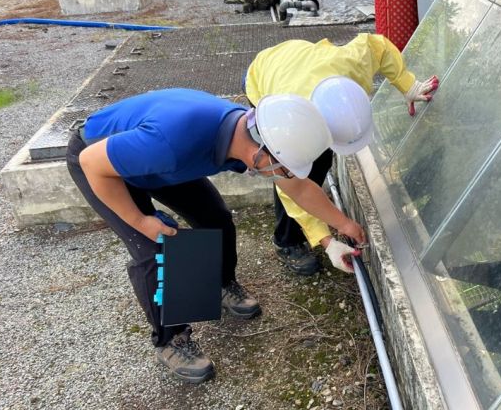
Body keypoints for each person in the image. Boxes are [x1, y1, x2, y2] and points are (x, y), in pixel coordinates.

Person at [66, 88, 366, 383]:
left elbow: (298, 187)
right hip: (99, 163)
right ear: (260, 155)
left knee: (215, 219)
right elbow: (92, 162)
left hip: (151, 159)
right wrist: (140, 221)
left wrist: (343, 223)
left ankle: (220, 284)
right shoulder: (172, 144)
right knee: (156, 247)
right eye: (283, 169)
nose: (285, 176)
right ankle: (171, 340)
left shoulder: (250, 131)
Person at [244, 32, 439, 276]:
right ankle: (287, 241)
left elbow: (378, 46)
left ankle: (314, 210)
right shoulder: (288, 119)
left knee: (321, 161)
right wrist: (325, 240)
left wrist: (408, 85)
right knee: (295, 168)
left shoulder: (353, 65)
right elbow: (289, 184)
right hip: (262, 76)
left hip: (299, 60)